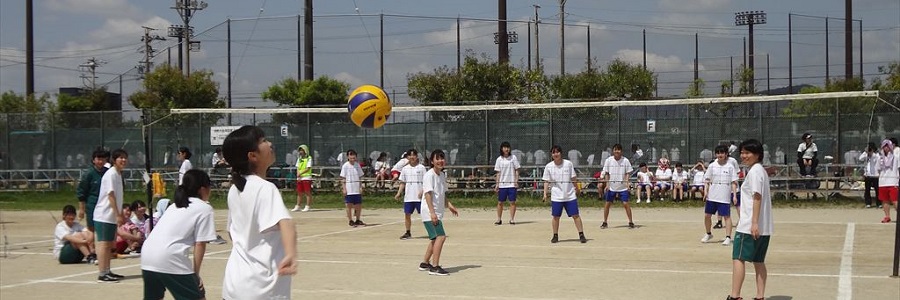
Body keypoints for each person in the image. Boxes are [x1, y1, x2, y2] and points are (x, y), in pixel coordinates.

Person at [221, 125, 297, 299]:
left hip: (234, 285)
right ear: (252, 156)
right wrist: (291, 254)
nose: (270, 144)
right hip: (261, 288)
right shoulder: (265, 188)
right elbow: (286, 223)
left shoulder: (235, 189)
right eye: (263, 141)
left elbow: (232, 233)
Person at [141, 169, 218, 300]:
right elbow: (200, 243)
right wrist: (195, 274)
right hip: (170, 257)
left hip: (147, 256)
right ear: (202, 189)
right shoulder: (204, 208)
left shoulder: (175, 205)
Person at [728, 139, 774, 300]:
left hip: (749, 226)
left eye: (748, 153)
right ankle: (760, 296)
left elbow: (757, 197)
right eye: (742, 152)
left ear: (758, 155)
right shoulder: (760, 171)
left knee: (738, 258)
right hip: (764, 227)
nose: (744, 156)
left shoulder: (755, 172)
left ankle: (735, 296)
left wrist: (754, 223)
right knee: (758, 261)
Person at [418, 149, 459, 276]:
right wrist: (432, 213)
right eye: (437, 159)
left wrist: (449, 205)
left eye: (442, 158)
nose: (440, 161)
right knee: (441, 237)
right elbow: (428, 194)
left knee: (435, 238)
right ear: (432, 161)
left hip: (436, 211)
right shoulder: (429, 175)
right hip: (429, 212)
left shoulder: (441, 175)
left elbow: (442, 194)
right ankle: (435, 267)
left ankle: (425, 263)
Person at [93, 148, 128, 283]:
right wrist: (118, 214)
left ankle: (107, 270)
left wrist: (119, 214)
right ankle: (102, 273)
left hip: (111, 216)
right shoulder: (111, 174)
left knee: (109, 244)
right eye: (120, 158)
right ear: (114, 160)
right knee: (104, 244)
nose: (123, 160)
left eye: (125, 158)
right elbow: (111, 195)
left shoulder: (118, 174)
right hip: (104, 215)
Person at [542, 145, 587, 243]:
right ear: (551, 154)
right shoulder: (549, 166)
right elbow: (546, 181)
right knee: (555, 216)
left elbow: (573, 178)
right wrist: (545, 193)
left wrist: (577, 188)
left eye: (557, 152)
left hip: (569, 195)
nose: (556, 154)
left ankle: (581, 234)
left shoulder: (568, 164)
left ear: (561, 153)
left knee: (575, 215)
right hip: (556, 196)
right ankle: (555, 235)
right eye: (553, 152)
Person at [702, 145, 739, 246]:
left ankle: (728, 237)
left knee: (726, 216)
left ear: (726, 154)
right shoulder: (712, 165)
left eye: (722, 153)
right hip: (713, 194)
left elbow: (734, 182)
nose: (720, 155)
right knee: (707, 215)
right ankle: (708, 233)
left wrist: (734, 195)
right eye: (718, 153)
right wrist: (706, 192)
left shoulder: (730, 166)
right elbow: (707, 180)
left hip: (724, 194)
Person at [600, 144, 635, 229]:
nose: (617, 151)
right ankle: (605, 222)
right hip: (612, 186)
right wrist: (607, 184)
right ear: (613, 151)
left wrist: (627, 183)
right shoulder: (609, 160)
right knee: (607, 204)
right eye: (615, 150)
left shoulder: (625, 160)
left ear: (621, 151)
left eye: (619, 150)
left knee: (625, 203)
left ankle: (630, 221)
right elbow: (607, 173)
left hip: (622, 187)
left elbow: (627, 173)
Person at [395, 149, 425, 240]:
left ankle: (433, 231)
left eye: (414, 155)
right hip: (409, 196)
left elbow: (426, 182)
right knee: (407, 214)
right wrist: (399, 193)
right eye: (410, 155)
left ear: (417, 157)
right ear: (407, 157)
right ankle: (408, 232)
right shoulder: (405, 169)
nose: (412, 157)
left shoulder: (422, 168)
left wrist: (422, 191)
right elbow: (402, 182)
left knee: (425, 214)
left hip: (420, 197)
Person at [77, 149, 109, 232]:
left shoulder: (108, 172)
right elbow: (81, 192)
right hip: (92, 203)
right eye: (98, 159)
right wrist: (81, 209)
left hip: (105, 203)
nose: (100, 162)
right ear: (94, 160)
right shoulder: (88, 174)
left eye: (103, 159)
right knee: (92, 227)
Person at [494, 142, 521, 225]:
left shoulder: (513, 158)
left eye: (508, 147)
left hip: (512, 184)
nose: (506, 149)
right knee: (500, 202)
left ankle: (512, 219)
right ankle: (499, 219)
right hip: (502, 184)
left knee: (512, 202)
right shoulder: (499, 159)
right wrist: (497, 184)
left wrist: (516, 181)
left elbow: (517, 170)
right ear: (502, 149)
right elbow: (498, 173)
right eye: (505, 147)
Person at [341, 149, 366, 227]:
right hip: (349, 188)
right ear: (348, 157)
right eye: (351, 157)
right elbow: (343, 178)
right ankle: (350, 220)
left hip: (356, 188)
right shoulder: (345, 166)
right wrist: (344, 188)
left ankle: (358, 219)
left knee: (358, 205)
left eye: (354, 157)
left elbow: (360, 177)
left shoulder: (357, 165)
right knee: (348, 205)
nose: (352, 159)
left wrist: (361, 187)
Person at [877, 139, 899, 223]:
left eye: (887, 146)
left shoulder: (896, 157)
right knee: (884, 200)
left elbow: (898, 168)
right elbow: (878, 169)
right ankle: (887, 216)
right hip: (883, 182)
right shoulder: (880, 158)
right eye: (884, 146)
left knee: (895, 200)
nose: (886, 148)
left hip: (893, 181)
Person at [859, 142, 881, 208]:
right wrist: (865, 152)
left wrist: (871, 153)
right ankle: (868, 203)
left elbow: (877, 158)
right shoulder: (866, 154)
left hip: (875, 175)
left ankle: (879, 203)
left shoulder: (877, 154)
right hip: (868, 174)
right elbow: (860, 158)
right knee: (867, 189)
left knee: (877, 190)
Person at [293, 145, 314, 212]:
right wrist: (298, 174)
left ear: (305, 151)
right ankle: (298, 206)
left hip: (306, 177)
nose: (300, 152)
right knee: (299, 192)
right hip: (300, 178)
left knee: (307, 192)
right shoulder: (299, 159)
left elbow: (308, 168)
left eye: (302, 150)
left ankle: (307, 206)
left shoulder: (309, 158)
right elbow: (297, 167)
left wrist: (301, 173)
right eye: (300, 150)